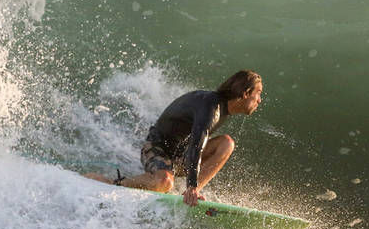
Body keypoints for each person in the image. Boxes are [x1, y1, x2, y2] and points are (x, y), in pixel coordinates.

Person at [88, 70, 263, 206]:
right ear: (246, 93)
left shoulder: (223, 108)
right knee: (165, 182)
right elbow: (197, 144)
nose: (260, 100)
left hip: (180, 156)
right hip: (157, 148)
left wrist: (193, 186)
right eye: (258, 93)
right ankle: (113, 183)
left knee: (226, 143)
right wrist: (191, 185)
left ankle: (188, 196)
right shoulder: (211, 105)